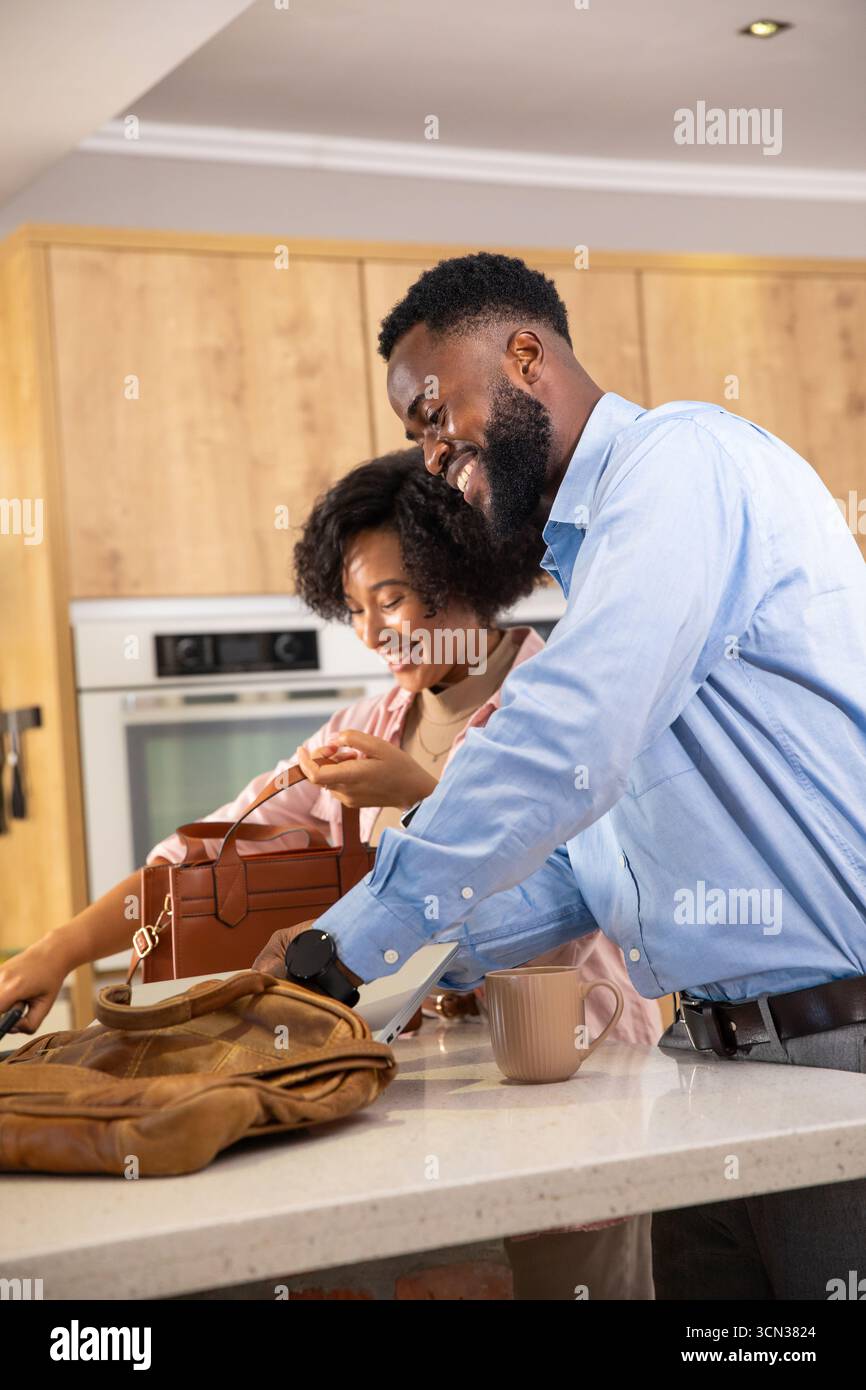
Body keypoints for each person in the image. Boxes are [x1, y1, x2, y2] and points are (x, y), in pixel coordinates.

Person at [261, 252, 866, 1301]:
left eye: (435, 408)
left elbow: (563, 737)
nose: (433, 450)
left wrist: (346, 944)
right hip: (713, 1067)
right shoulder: (593, 564)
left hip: (834, 1056)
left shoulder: (680, 461)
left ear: (525, 355)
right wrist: (392, 977)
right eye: (414, 432)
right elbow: (587, 875)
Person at [0, 448, 660, 1300]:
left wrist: (418, 792)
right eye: (354, 609)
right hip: (432, 1105)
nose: (374, 630)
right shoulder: (374, 721)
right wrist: (58, 951)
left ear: (462, 570)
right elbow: (205, 859)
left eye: (391, 599)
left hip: (576, 1094)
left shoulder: (563, 701)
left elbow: (588, 872)